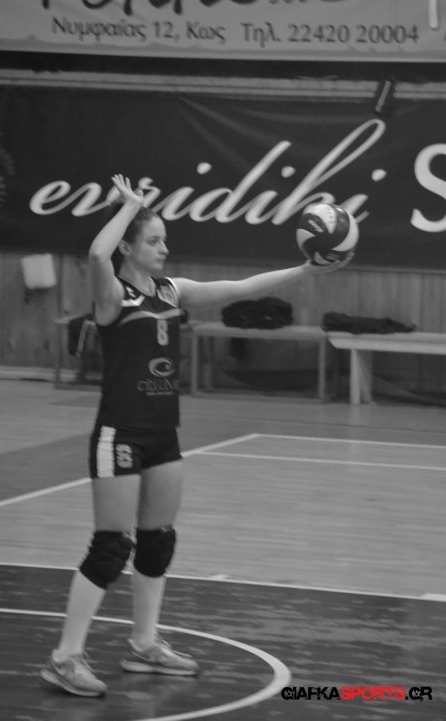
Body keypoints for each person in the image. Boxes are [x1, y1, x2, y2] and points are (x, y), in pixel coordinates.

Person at [41, 174, 352, 698]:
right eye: (154, 240)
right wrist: (129, 207)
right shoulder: (112, 295)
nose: (165, 248)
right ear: (129, 248)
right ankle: (64, 658)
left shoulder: (172, 290)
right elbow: (96, 253)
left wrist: (305, 270)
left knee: (158, 541)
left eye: (165, 239)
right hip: (119, 432)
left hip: (163, 432)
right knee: (111, 547)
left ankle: (144, 644)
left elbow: (243, 288)